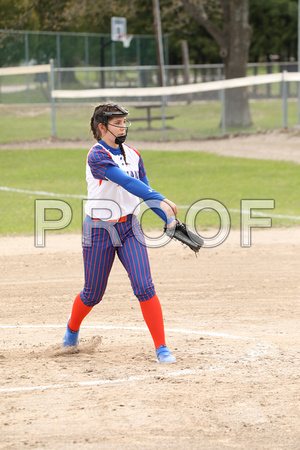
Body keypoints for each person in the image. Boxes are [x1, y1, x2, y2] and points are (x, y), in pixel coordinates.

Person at [63, 102, 178, 363]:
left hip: (129, 227)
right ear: (102, 127)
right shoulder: (97, 155)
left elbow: (143, 190)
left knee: (144, 286)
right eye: (117, 122)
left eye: (125, 122)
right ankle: (72, 328)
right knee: (93, 293)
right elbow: (125, 181)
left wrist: (168, 219)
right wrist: (162, 198)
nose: (123, 126)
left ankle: (161, 348)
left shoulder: (134, 154)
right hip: (99, 229)